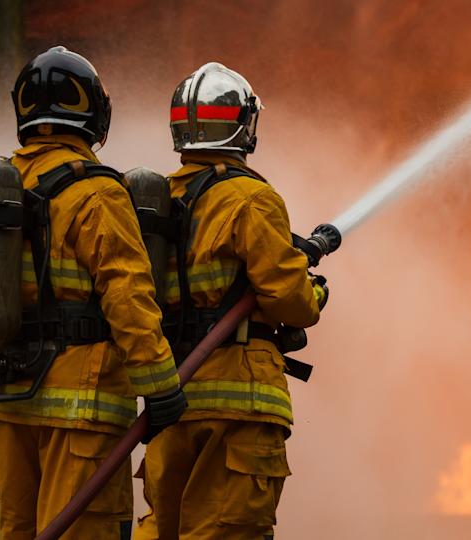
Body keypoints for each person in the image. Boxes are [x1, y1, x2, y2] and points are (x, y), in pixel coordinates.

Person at [0, 46, 186, 540]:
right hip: (83, 406)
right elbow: (128, 294)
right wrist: (160, 385)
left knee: (19, 529)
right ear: (93, 112)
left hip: (11, 397)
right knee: (84, 531)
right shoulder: (97, 193)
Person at [136, 62, 329, 540]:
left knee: (161, 529)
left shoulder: (157, 201)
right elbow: (291, 302)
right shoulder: (250, 199)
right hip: (239, 406)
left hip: (172, 401)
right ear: (245, 125)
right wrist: (316, 292)